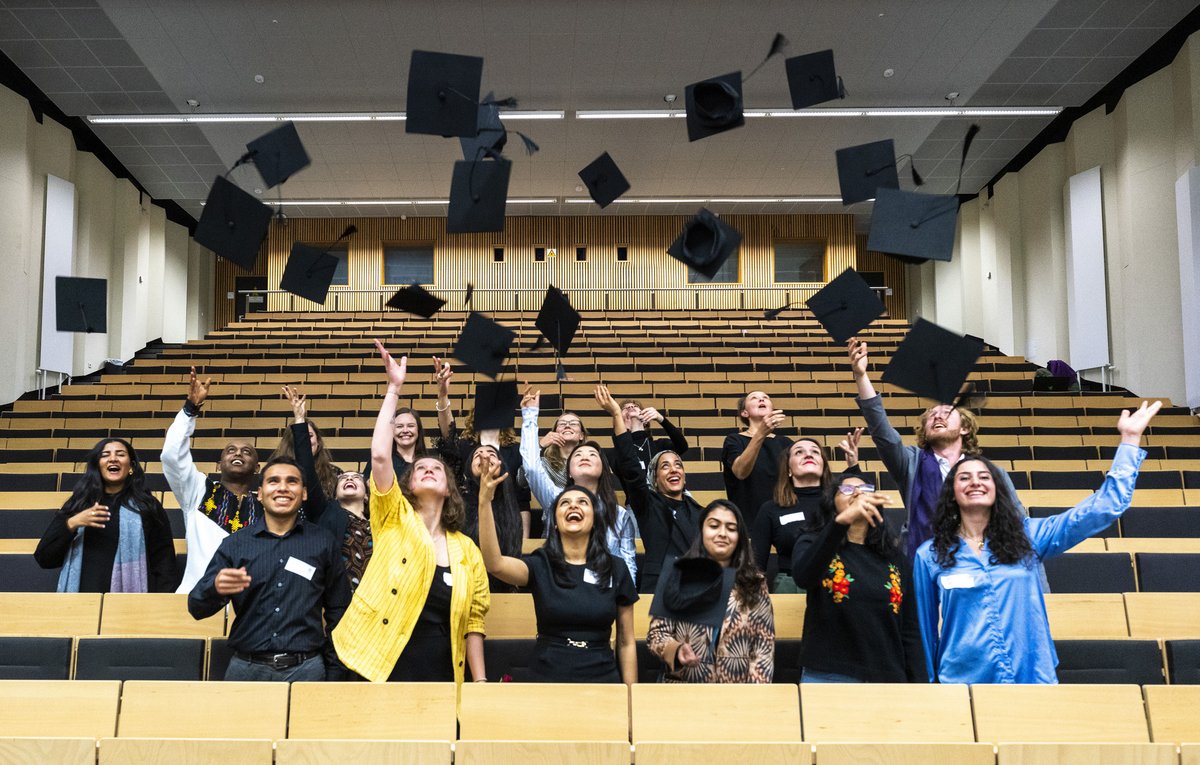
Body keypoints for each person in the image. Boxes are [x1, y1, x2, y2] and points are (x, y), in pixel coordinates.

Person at [914, 401, 1161, 684]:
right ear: (952, 492)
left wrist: (1129, 441)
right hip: (961, 683)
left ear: (998, 489)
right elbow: (924, 630)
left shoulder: (1029, 538)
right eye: (964, 478)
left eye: (984, 476)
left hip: (1030, 677)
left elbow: (1103, 508)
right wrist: (929, 686)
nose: (975, 482)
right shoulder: (930, 555)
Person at [332, 341, 490, 686]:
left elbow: (474, 624)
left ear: (449, 489)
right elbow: (378, 458)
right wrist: (394, 389)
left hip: (441, 669)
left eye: (436, 467)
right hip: (376, 660)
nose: (429, 469)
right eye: (421, 469)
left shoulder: (466, 550)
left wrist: (480, 683)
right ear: (409, 485)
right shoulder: (392, 516)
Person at [848, 338, 1025, 559]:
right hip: (924, 559)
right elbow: (883, 433)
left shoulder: (992, 474)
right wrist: (861, 376)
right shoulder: (911, 463)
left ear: (965, 429)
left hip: (982, 561)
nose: (937, 415)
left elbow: (1019, 526)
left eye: (946, 412)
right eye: (931, 415)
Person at [188, 456, 350, 681]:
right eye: (273, 481)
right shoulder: (235, 544)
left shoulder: (323, 542)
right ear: (260, 494)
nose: (283, 488)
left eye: (292, 481)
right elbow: (196, 608)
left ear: (303, 493)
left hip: (307, 670)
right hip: (246, 670)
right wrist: (214, 588)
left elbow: (339, 610)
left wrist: (334, 671)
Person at [478, 469, 638, 684]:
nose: (573, 505)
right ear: (554, 522)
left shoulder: (615, 567)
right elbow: (494, 564)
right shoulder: (540, 563)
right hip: (547, 673)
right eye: (565, 503)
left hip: (602, 674)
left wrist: (631, 693)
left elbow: (626, 641)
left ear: (595, 520)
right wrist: (484, 502)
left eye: (582, 502)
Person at [791, 473, 925, 683]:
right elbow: (804, 577)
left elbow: (909, 630)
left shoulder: (894, 557)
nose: (858, 494)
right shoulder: (813, 542)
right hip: (830, 675)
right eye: (846, 490)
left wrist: (919, 686)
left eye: (865, 490)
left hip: (888, 678)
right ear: (831, 502)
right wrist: (840, 523)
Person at [647, 500, 775, 683]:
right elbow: (656, 635)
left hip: (736, 698)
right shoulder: (679, 574)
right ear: (701, 531)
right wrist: (675, 650)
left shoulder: (755, 582)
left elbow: (763, 649)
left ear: (740, 537)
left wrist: (752, 702)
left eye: (731, 528)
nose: (722, 533)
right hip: (684, 693)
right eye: (714, 526)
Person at [521, 385, 639, 581]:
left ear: (603, 468)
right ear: (570, 471)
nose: (585, 456)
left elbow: (628, 564)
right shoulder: (556, 499)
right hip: (561, 585)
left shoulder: (620, 514)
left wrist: (625, 600)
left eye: (592, 454)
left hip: (604, 592)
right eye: (579, 455)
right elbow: (532, 468)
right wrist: (530, 415)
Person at [162, 367, 263, 593]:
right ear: (219, 464)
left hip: (251, 606)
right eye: (231, 450)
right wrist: (190, 410)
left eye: (247, 452)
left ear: (257, 468)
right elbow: (171, 455)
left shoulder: (266, 507)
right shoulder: (198, 490)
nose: (238, 454)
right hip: (198, 599)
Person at [34, 438, 178, 593]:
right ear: (98, 465)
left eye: (120, 454)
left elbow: (164, 562)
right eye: (105, 455)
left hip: (131, 605)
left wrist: (160, 603)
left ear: (131, 466)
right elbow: (44, 558)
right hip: (81, 601)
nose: (113, 458)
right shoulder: (80, 503)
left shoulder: (148, 506)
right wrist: (72, 523)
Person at [283, 385, 372, 592]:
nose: (349, 478)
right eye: (344, 478)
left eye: (356, 477)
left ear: (367, 496)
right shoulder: (325, 511)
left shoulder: (378, 522)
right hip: (333, 600)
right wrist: (299, 420)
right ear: (334, 492)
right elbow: (306, 468)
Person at [432, 356, 531, 538]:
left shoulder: (516, 451)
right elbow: (448, 434)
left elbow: (522, 502)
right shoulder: (464, 446)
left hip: (505, 524)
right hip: (468, 523)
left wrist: (523, 541)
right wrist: (443, 394)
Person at [751, 433, 861, 593]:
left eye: (815, 451)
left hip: (841, 582)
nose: (808, 454)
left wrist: (853, 466)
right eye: (799, 452)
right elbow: (756, 562)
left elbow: (863, 508)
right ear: (788, 468)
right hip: (791, 586)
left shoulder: (839, 502)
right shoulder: (771, 508)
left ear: (823, 465)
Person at [722, 390, 793, 528]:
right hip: (748, 521)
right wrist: (761, 433)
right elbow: (740, 472)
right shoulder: (734, 440)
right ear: (744, 413)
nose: (761, 400)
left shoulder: (786, 443)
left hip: (783, 517)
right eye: (754, 398)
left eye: (765, 397)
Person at [608, 398, 689, 497]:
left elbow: (682, 446)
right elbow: (622, 467)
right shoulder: (615, 452)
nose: (630, 407)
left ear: (646, 419)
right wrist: (624, 432)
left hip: (666, 499)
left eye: (635, 407)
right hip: (637, 505)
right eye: (625, 408)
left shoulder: (660, 445)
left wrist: (661, 419)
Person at [270, 415, 340, 500]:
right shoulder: (273, 472)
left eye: (309, 436)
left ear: (318, 441)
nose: (305, 441)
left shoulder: (334, 472)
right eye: (300, 437)